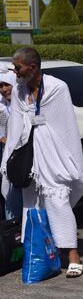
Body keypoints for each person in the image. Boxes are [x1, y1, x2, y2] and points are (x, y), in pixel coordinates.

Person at [1, 47, 83, 277]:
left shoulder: (58, 88)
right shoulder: (19, 90)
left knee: (58, 201)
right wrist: (10, 155)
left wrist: (69, 159)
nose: (15, 72)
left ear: (33, 67)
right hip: (28, 155)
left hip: (53, 155)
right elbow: (15, 124)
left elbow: (66, 127)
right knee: (31, 205)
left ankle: (72, 254)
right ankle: (35, 251)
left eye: (18, 67)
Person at [0, 63, 22, 221]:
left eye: (7, 84)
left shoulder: (23, 103)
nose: (4, 89)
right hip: (8, 155)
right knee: (10, 195)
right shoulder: (2, 107)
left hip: (24, 155)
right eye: (0, 86)